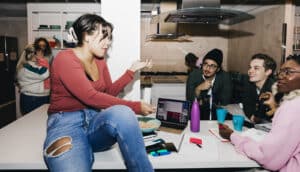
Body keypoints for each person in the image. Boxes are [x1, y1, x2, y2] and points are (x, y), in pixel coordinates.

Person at [43, 14, 154, 172]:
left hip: (95, 121)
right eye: (104, 36)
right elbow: (90, 96)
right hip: (66, 124)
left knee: (123, 113)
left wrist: (131, 71)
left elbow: (108, 93)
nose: (108, 43)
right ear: (87, 35)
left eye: (110, 38)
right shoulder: (64, 59)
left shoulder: (100, 61)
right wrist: (136, 106)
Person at [219, 54, 300, 172]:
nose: (281, 76)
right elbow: (250, 112)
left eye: (288, 72)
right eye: (281, 72)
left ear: (268, 72)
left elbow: (268, 158)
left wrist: (232, 136)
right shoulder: (249, 86)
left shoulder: (290, 104)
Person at [186, 48, 232, 120]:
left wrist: (204, 101)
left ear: (218, 69)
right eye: (205, 64)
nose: (207, 68)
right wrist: (198, 89)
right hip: (197, 116)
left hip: (217, 116)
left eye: (213, 66)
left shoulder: (225, 77)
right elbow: (190, 102)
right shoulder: (194, 75)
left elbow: (225, 103)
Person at [241, 53, 277, 123]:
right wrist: (253, 117)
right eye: (250, 67)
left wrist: (256, 118)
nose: (250, 71)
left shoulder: (276, 89)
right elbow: (247, 108)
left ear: (268, 72)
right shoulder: (249, 85)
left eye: (256, 68)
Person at [16, 44, 50, 115]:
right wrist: (44, 61)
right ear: (32, 54)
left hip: (39, 98)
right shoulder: (26, 67)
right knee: (32, 124)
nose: (42, 55)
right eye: (40, 53)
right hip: (32, 99)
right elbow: (43, 74)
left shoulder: (35, 65)